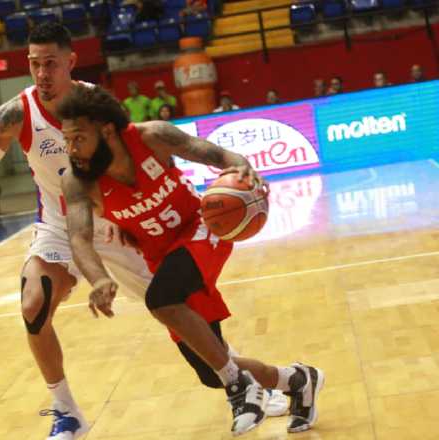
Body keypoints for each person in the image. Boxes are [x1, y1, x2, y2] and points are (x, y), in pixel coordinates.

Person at [0, 23, 288, 440]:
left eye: (50, 63)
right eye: (34, 64)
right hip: (60, 227)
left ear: (71, 62)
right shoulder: (17, 113)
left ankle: (262, 380)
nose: (41, 73)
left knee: (191, 333)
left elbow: (141, 157)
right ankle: (66, 411)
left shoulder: (97, 106)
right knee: (33, 306)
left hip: (117, 224)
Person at [57, 85, 325, 436]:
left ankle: (240, 389)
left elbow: (218, 155)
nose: (70, 149)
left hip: (200, 229)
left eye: (78, 138)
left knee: (161, 300)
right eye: (67, 140)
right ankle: (298, 379)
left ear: (107, 130)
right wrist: (99, 280)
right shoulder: (77, 181)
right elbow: (78, 237)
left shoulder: (152, 137)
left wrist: (245, 173)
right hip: (161, 256)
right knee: (207, 366)